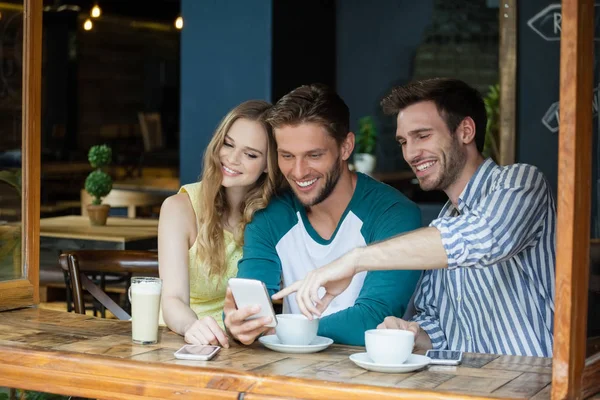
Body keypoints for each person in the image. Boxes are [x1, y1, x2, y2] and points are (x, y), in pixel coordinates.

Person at [275, 78, 556, 357]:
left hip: (532, 384)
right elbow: (438, 323)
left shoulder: (520, 183)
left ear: (466, 131)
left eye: (422, 136)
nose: (410, 153)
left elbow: (482, 238)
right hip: (468, 387)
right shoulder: (442, 223)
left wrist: (354, 260)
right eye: (403, 141)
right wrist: (413, 334)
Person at [223, 84, 423, 346]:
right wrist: (239, 324)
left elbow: (373, 319)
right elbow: (252, 303)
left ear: (346, 147)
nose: (298, 171)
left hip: (376, 375)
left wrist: (281, 332)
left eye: (314, 155)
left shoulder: (394, 215)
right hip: (292, 372)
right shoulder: (269, 216)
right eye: (286, 156)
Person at [159, 100, 281, 348]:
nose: (232, 159)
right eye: (228, 144)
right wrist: (191, 327)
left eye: (250, 154)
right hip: (180, 340)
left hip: (243, 347)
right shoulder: (179, 208)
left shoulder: (274, 216)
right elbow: (172, 299)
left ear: (269, 164)